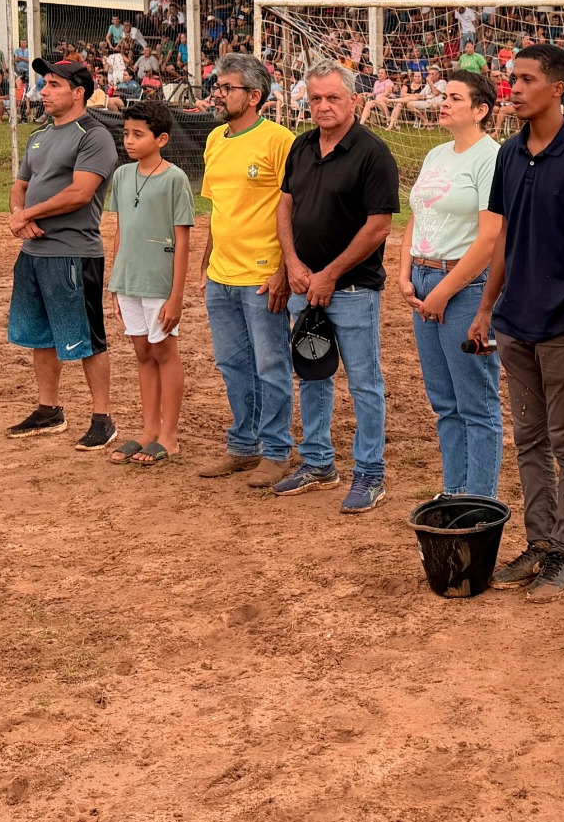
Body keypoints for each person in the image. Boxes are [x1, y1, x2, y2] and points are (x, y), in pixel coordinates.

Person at [468, 42, 564, 603]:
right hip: (514, 323)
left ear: (558, 89)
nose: (515, 88)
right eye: (512, 78)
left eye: (527, 79)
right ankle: (538, 542)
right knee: (529, 437)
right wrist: (487, 307)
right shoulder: (509, 154)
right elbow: (503, 237)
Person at [275, 61, 401, 510]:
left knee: (364, 382)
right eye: (315, 99)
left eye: (332, 98)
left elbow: (379, 227)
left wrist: (329, 274)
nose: (323, 106)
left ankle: (370, 473)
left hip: (352, 290)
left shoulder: (372, 152)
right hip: (302, 284)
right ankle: (317, 462)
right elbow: (285, 206)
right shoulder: (303, 145)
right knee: (312, 373)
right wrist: (292, 263)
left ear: (353, 99)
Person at [5, 58, 120, 449]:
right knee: (41, 333)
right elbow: (20, 184)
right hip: (34, 252)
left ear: (78, 92)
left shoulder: (94, 135)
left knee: (87, 336)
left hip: (74, 253)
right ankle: (49, 409)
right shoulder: (40, 135)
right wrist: (19, 215)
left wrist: (29, 215)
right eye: (44, 84)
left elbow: (80, 193)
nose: (44, 91)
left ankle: (102, 418)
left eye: (53, 84)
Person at [400, 69, 504, 498]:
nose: (443, 102)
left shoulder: (492, 157)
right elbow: (416, 217)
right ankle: (455, 491)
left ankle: (478, 500)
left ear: (480, 110)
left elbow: (490, 238)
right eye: (444, 95)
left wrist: (442, 292)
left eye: (455, 98)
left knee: (476, 404)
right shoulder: (436, 154)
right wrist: (406, 272)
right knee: (445, 402)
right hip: (424, 278)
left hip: (465, 285)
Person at [198, 52, 297, 487]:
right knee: (232, 364)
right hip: (221, 276)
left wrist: (282, 269)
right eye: (216, 87)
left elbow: (294, 209)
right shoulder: (216, 138)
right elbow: (219, 208)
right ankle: (243, 446)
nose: (217, 94)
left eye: (226, 88)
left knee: (271, 364)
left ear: (254, 96)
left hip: (262, 276)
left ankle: (276, 450)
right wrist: (206, 261)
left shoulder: (280, 141)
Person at [104, 101, 194, 467]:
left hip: (159, 283)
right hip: (129, 280)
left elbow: (183, 240)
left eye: (138, 134)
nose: (129, 140)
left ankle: (169, 436)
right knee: (142, 353)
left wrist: (177, 296)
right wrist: (114, 282)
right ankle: (148, 430)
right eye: (126, 133)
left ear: (162, 139)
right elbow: (120, 231)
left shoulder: (175, 179)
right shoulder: (122, 176)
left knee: (164, 352)